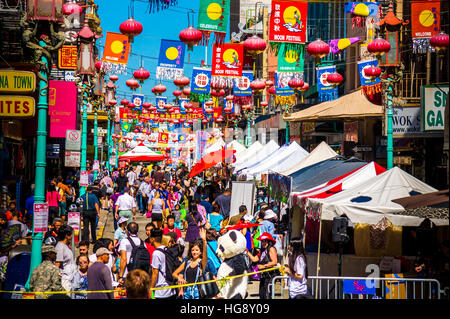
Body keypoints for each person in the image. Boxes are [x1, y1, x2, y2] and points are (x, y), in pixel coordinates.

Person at [172, 228, 208, 299]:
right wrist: (180, 278)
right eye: (193, 250)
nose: (194, 252)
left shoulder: (201, 262)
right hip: (186, 292)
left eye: (197, 250)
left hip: (198, 292)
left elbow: (205, 256)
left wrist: (204, 240)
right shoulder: (187, 262)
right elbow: (174, 273)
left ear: (200, 252)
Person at [246, 232, 279, 299]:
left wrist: (264, 266)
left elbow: (275, 262)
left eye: (265, 241)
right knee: (262, 294)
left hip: (270, 276)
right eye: (262, 241)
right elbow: (254, 259)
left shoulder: (271, 249)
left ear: (269, 241)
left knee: (267, 295)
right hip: (263, 276)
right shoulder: (262, 251)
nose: (263, 243)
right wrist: (247, 252)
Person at [149, 228, 176, 299]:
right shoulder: (166, 249)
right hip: (171, 289)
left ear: (152, 239)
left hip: (161, 291)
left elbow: (155, 273)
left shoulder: (156, 253)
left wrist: (151, 289)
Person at [54, 225, 76, 292]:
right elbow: (57, 266)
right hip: (64, 280)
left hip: (70, 279)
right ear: (67, 235)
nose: (72, 236)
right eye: (71, 234)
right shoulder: (60, 247)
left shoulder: (66, 246)